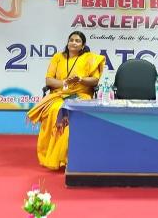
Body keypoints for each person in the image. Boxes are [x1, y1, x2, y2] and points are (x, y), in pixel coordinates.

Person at [27, 31, 105, 170]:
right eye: (71, 40)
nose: (73, 43)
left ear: (83, 45)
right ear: (68, 42)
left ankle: (67, 156)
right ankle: (51, 154)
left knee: (70, 113)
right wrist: (65, 83)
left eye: (77, 41)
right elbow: (49, 80)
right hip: (59, 94)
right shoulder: (58, 57)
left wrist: (80, 80)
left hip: (81, 95)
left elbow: (95, 80)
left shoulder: (90, 58)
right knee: (55, 110)